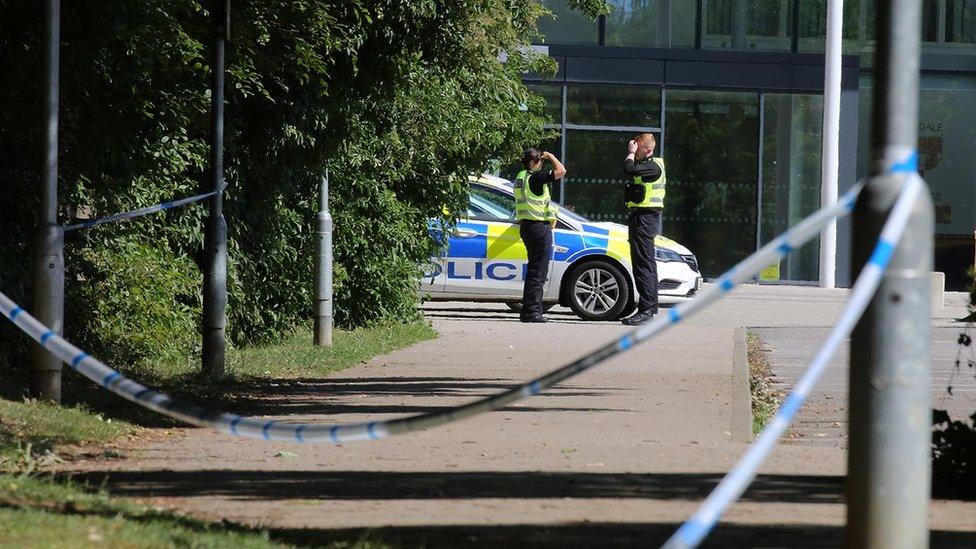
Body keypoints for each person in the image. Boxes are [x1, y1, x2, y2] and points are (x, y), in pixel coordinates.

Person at [514, 147, 566, 323]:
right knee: (538, 272)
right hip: (538, 228)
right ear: (532, 163)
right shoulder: (536, 177)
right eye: (540, 161)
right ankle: (532, 312)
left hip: (527, 227)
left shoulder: (521, 177)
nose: (542, 164)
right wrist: (552, 156)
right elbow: (561, 171)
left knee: (534, 270)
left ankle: (528, 310)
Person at [621, 133, 665, 326]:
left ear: (648, 149)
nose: (634, 150)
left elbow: (628, 168)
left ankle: (646, 310)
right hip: (642, 216)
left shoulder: (652, 166)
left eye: (637, 148)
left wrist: (630, 153)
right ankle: (649, 307)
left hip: (645, 218)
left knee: (643, 265)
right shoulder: (647, 165)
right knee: (646, 263)